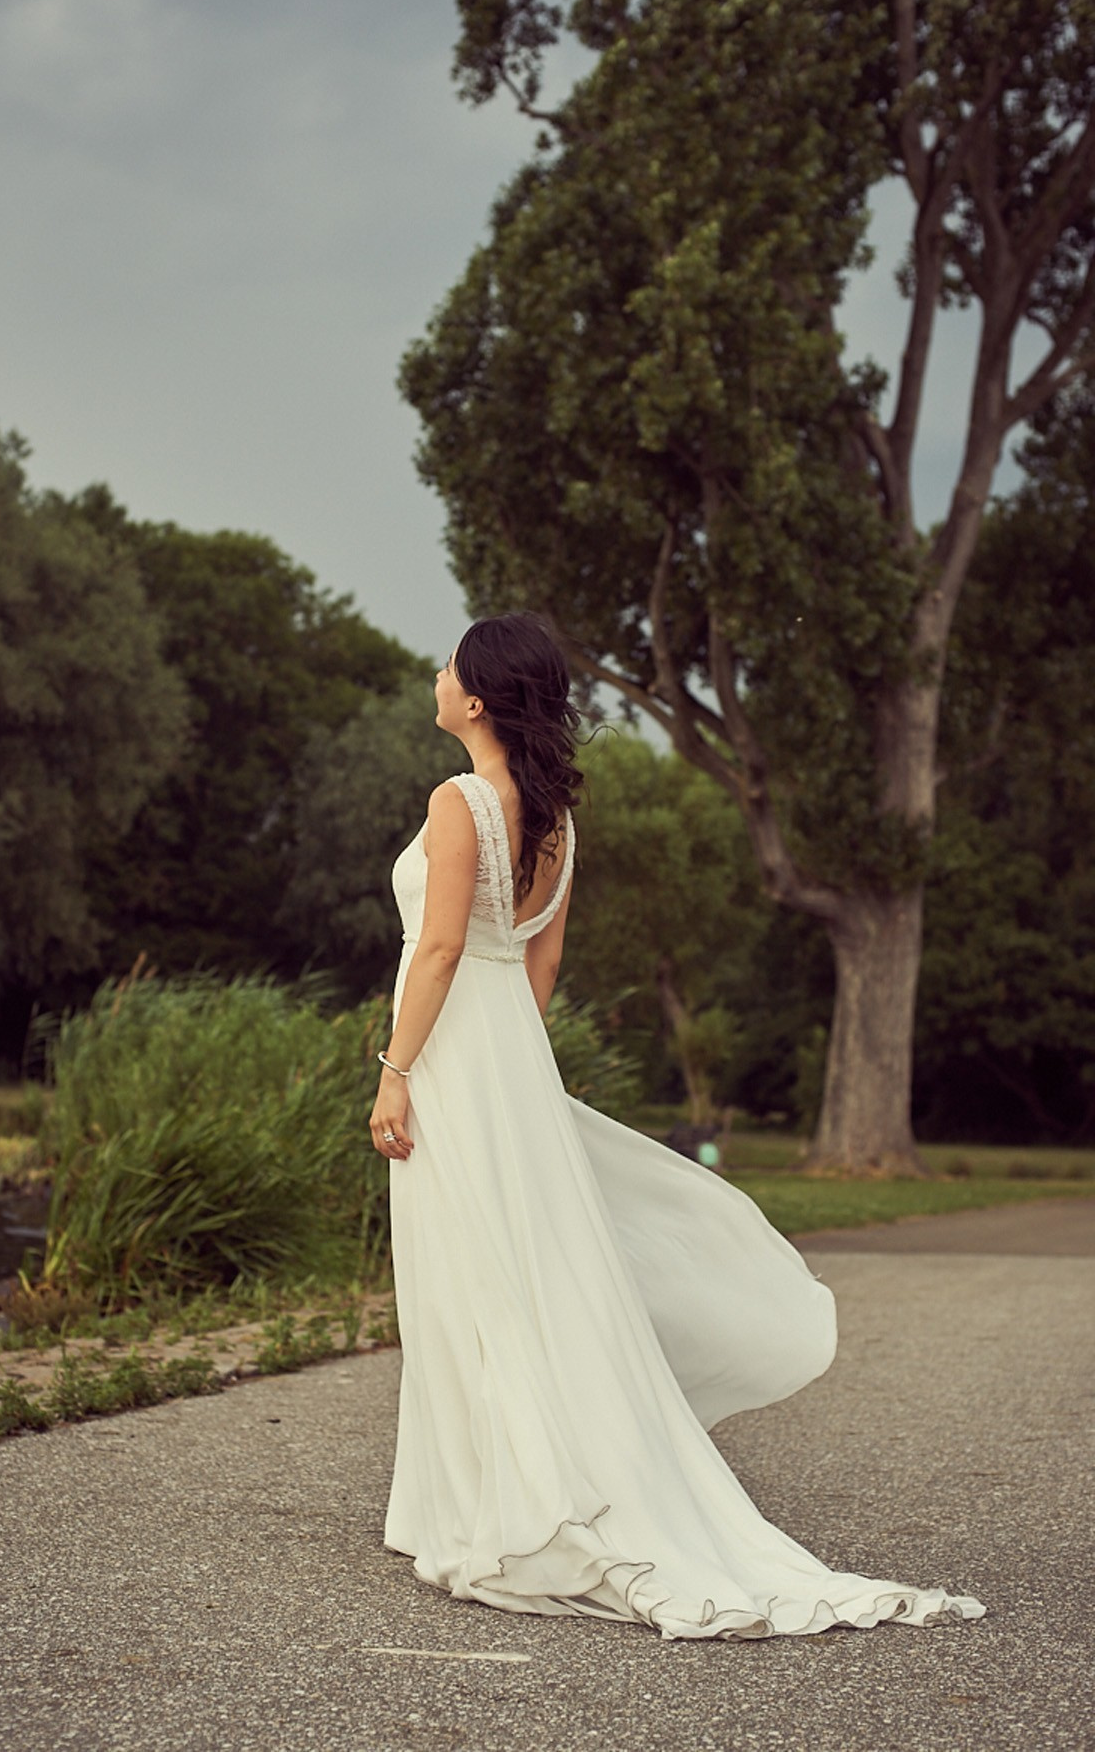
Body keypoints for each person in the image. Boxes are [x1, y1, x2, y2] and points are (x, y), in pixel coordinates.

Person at [369, 612, 985, 1642]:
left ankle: (488, 1502)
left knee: (469, 1271)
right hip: (509, 1049)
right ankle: (491, 1490)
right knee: (527, 1271)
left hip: (452, 1052)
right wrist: (511, 1067)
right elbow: (543, 966)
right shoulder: (557, 817)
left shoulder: (459, 799)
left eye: (447, 666)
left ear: (476, 697)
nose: (434, 676)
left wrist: (398, 1071)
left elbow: (434, 953)